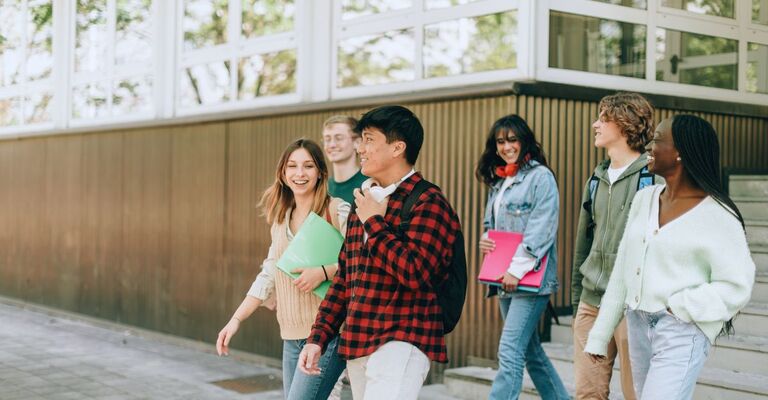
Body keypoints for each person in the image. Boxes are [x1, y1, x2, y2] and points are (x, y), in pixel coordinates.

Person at [297, 105, 462, 400]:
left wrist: (374, 223)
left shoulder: (428, 202)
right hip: (359, 339)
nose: (361, 148)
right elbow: (345, 279)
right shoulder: (366, 198)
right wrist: (317, 338)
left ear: (398, 147)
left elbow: (415, 273)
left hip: (403, 339)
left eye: (369, 139)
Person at [585, 115, 756, 400]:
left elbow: (736, 285)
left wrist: (680, 308)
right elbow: (623, 273)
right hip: (637, 323)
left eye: (657, 139)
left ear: (679, 153)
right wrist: (599, 336)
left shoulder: (718, 215)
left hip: (681, 329)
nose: (649, 145)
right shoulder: (645, 198)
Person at [215, 139, 349, 400]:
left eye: (308, 166)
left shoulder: (336, 210)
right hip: (291, 336)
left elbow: (364, 261)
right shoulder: (280, 219)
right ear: (283, 173)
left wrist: (324, 271)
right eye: (293, 166)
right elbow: (269, 274)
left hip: (329, 334)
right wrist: (236, 319)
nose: (300, 174)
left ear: (321, 172)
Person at [476, 114, 569, 400]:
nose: (506, 147)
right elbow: (494, 225)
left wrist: (516, 269)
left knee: (510, 349)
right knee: (530, 351)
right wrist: (487, 239)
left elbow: (542, 228)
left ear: (524, 140)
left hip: (527, 276)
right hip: (504, 275)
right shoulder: (502, 180)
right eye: (501, 142)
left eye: (512, 140)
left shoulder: (540, 177)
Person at [571, 92, 656, 400]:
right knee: (587, 394)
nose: (595, 124)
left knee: (638, 394)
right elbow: (584, 243)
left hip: (632, 308)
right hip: (592, 304)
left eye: (603, 118)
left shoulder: (653, 178)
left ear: (625, 124)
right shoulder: (596, 179)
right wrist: (578, 299)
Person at [323, 115, 368, 204]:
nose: (332, 145)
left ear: (357, 142)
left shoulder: (368, 184)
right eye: (327, 139)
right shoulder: (323, 187)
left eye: (339, 138)